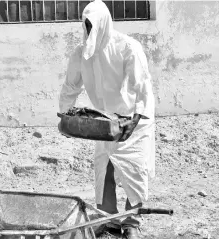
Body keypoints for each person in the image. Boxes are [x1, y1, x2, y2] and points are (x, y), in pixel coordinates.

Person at [59, 0, 155, 238]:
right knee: (105, 169)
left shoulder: (128, 47)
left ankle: (131, 222)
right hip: (104, 123)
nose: (90, 31)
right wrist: (63, 114)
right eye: (86, 26)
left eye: (94, 25)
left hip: (134, 121)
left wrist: (136, 118)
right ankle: (109, 220)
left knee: (134, 171)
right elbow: (70, 86)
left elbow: (142, 87)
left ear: (104, 23)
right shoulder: (81, 54)